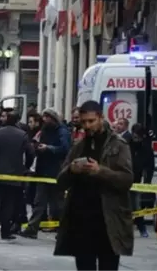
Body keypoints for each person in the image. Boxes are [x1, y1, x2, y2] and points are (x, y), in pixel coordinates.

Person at [54, 100, 134, 271]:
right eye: (83, 122)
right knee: (84, 265)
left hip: (108, 221)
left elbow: (127, 180)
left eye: (91, 121)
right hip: (81, 220)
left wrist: (100, 171)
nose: (87, 126)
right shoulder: (79, 146)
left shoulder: (118, 145)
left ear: (100, 118)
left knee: (108, 265)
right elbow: (60, 181)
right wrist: (72, 170)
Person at [0, 112, 34, 240]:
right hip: (14, 173)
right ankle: (5, 231)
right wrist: (25, 168)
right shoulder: (22, 135)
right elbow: (30, 153)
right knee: (8, 204)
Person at [20, 108, 70, 238]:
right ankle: (32, 228)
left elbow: (65, 149)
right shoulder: (44, 130)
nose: (44, 119)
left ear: (53, 118)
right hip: (43, 171)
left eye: (47, 117)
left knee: (58, 204)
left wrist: (48, 148)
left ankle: (65, 230)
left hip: (56, 172)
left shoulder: (62, 131)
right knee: (39, 202)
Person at [129, 123, 151, 238]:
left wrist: (147, 182)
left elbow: (149, 166)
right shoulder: (127, 144)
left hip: (136, 181)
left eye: (138, 136)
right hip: (124, 179)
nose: (136, 138)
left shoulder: (145, 148)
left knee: (137, 206)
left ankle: (142, 228)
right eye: (135, 135)